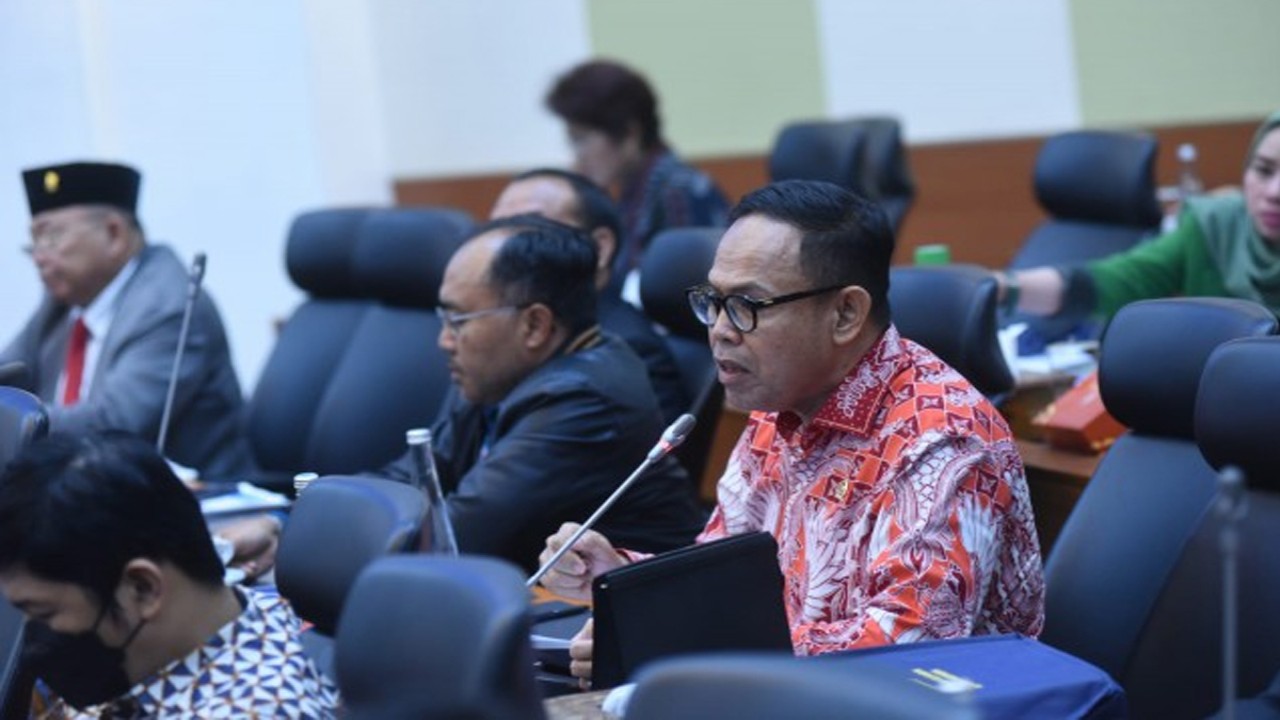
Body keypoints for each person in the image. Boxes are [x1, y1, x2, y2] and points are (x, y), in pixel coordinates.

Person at [538, 180, 1045, 683]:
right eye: (713, 300)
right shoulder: (777, 406)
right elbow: (720, 578)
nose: (719, 328)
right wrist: (620, 576)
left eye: (747, 306)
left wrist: (666, 644)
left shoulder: (942, 440)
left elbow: (910, 648)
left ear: (846, 313)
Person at [384, 215, 706, 572]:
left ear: (535, 325)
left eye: (458, 321)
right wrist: (315, 502)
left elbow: (452, 537)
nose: (444, 340)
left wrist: (339, 529)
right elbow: (413, 479)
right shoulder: (498, 372)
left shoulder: (585, 399)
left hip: (632, 611)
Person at [0, 432, 338, 718]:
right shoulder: (169, 649)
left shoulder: (252, 710)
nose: (35, 635)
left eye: (45, 613)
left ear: (143, 588)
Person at [0, 161, 253, 479]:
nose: (39, 258)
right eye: (33, 243)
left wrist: (12, 422)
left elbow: (114, 424)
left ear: (114, 234)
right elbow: (8, 370)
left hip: (199, 505)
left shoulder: (168, 303)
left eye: (51, 238)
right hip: (85, 491)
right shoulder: (64, 301)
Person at [999, 111, 1280, 323]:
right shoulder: (1217, 224)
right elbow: (1118, 280)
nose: (1274, 192)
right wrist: (1004, 287)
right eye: (1263, 170)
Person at [490, 167, 689, 423]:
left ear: (600, 247)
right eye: (495, 230)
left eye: (530, 229)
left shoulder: (627, 352)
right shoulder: (491, 330)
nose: (504, 251)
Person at [546, 59, 730, 296]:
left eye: (581, 139)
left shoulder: (676, 191)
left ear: (630, 133)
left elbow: (686, 296)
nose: (577, 155)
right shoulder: (637, 188)